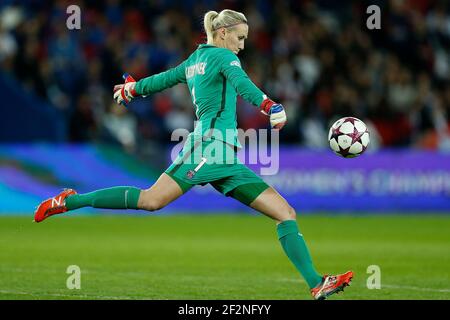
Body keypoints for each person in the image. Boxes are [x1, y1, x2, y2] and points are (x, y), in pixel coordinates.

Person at [34, 9, 352, 300]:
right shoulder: (224, 58)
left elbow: (165, 79)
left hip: (225, 158)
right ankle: (70, 200)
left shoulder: (194, 60)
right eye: (240, 38)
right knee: (151, 200)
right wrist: (270, 105)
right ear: (224, 32)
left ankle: (316, 282)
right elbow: (243, 84)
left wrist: (134, 88)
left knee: (286, 213)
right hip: (209, 148)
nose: (242, 45)